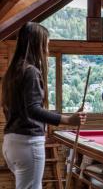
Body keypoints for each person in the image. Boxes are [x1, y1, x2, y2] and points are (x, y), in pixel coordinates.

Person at [1, 22, 87, 189]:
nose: (47, 51)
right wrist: (68, 120)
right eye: (46, 45)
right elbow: (33, 109)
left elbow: (23, 107)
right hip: (28, 143)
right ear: (37, 44)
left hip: (11, 143)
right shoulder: (31, 71)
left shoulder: (13, 71)